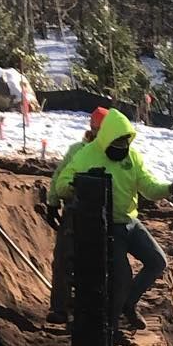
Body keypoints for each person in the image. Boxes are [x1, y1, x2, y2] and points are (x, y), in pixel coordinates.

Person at [48, 107, 173, 344]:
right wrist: (80, 182)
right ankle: (111, 329)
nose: (122, 150)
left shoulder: (132, 158)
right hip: (106, 225)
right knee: (121, 277)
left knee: (157, 261)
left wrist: (171, 188)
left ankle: (128, 304)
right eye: (118, 146)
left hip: (129, 220)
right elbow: (62, 183)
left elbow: (148, 187)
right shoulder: (86, 155)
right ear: (107, 141)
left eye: (125, 145)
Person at [45, 107, 108, 322]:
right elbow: (59, 177)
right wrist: (53, 202)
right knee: (64, 256)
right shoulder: (77, 150)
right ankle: (59, 307)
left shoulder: (113, 152)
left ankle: (111, 311)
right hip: (76, 211)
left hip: (105, 213)